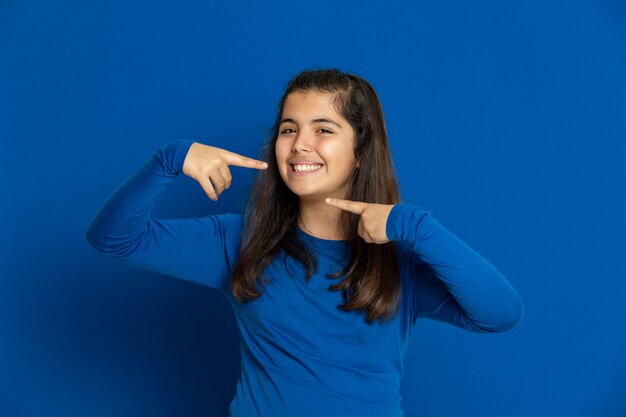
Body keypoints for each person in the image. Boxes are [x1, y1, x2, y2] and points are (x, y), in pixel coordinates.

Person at [86, 69, 523, 417]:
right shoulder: (239, 239)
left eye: (324, 130)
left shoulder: (401, 258)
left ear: (361, 151)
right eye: (289, 129)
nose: (300, 146)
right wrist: (172, 158)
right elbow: (114, 239)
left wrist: (416, 226)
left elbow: (499, 314)